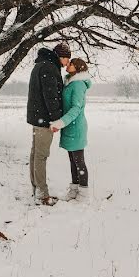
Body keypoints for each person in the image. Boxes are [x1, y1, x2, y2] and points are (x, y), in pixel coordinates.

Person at [27, 42, 71, 206]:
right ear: (61, 56)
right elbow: (51, 97)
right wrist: (56, 120)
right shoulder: (49, 68)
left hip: (38, 117)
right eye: (67, 59)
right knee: (41, 155)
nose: (67, 63)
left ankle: (36, 188)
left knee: (35, 153)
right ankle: (42, 194)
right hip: (44, 119)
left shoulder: (42, 65)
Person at [51, 57, 92, 202]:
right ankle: (74, 190)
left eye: (72, 64)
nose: (68, 65)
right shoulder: (69, 83)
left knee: (79, 161)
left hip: (76, 127)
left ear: (79, 68)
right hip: (69, 127)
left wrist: (60, 122)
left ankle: (84, 193)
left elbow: (76, 108)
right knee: (72, 160)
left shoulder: (79, 84)